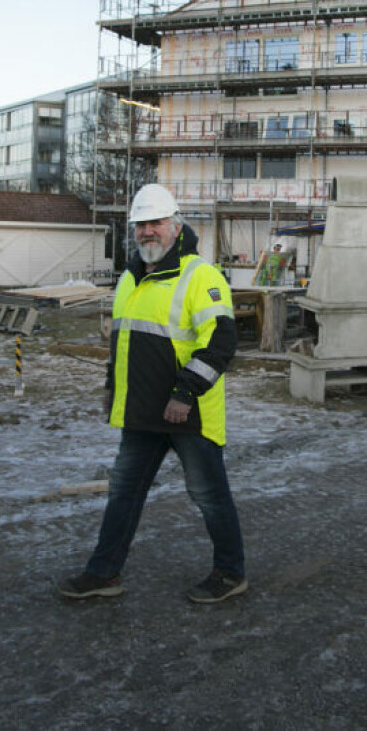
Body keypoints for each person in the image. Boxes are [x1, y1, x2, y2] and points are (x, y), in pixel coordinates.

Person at [58, 184, 246, 604]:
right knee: (123, 493)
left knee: (208, 496)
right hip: (142, 413)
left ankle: (231, 573)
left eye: (155, 223)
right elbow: (121, 343)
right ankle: (104, 573)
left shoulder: (201, 276)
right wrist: (111, 387)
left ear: (176, 226)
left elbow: (220, 344)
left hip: (189, 414)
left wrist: (184, 394)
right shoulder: (129, 279)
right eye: (141, 225)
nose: (147, 232)